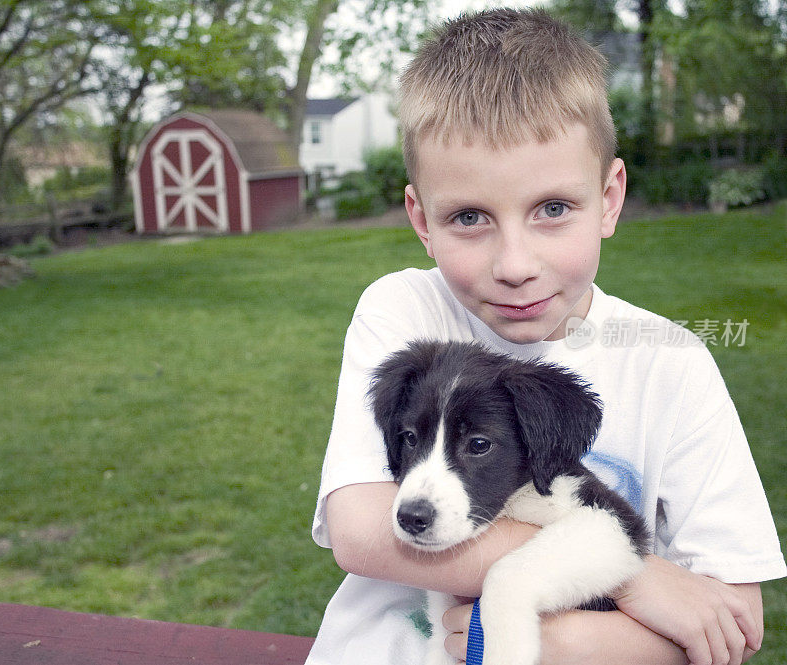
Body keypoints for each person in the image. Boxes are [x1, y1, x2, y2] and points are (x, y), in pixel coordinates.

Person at [304, 8, 786, 665]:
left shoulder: (671, 363)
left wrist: (562, 639)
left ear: (610, 197)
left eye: (552, 209)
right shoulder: (406, 311)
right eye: (469, 216)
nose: (515, 263)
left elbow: (729, 624)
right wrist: (629, 571)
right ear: (421, 218)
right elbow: (360, 529)